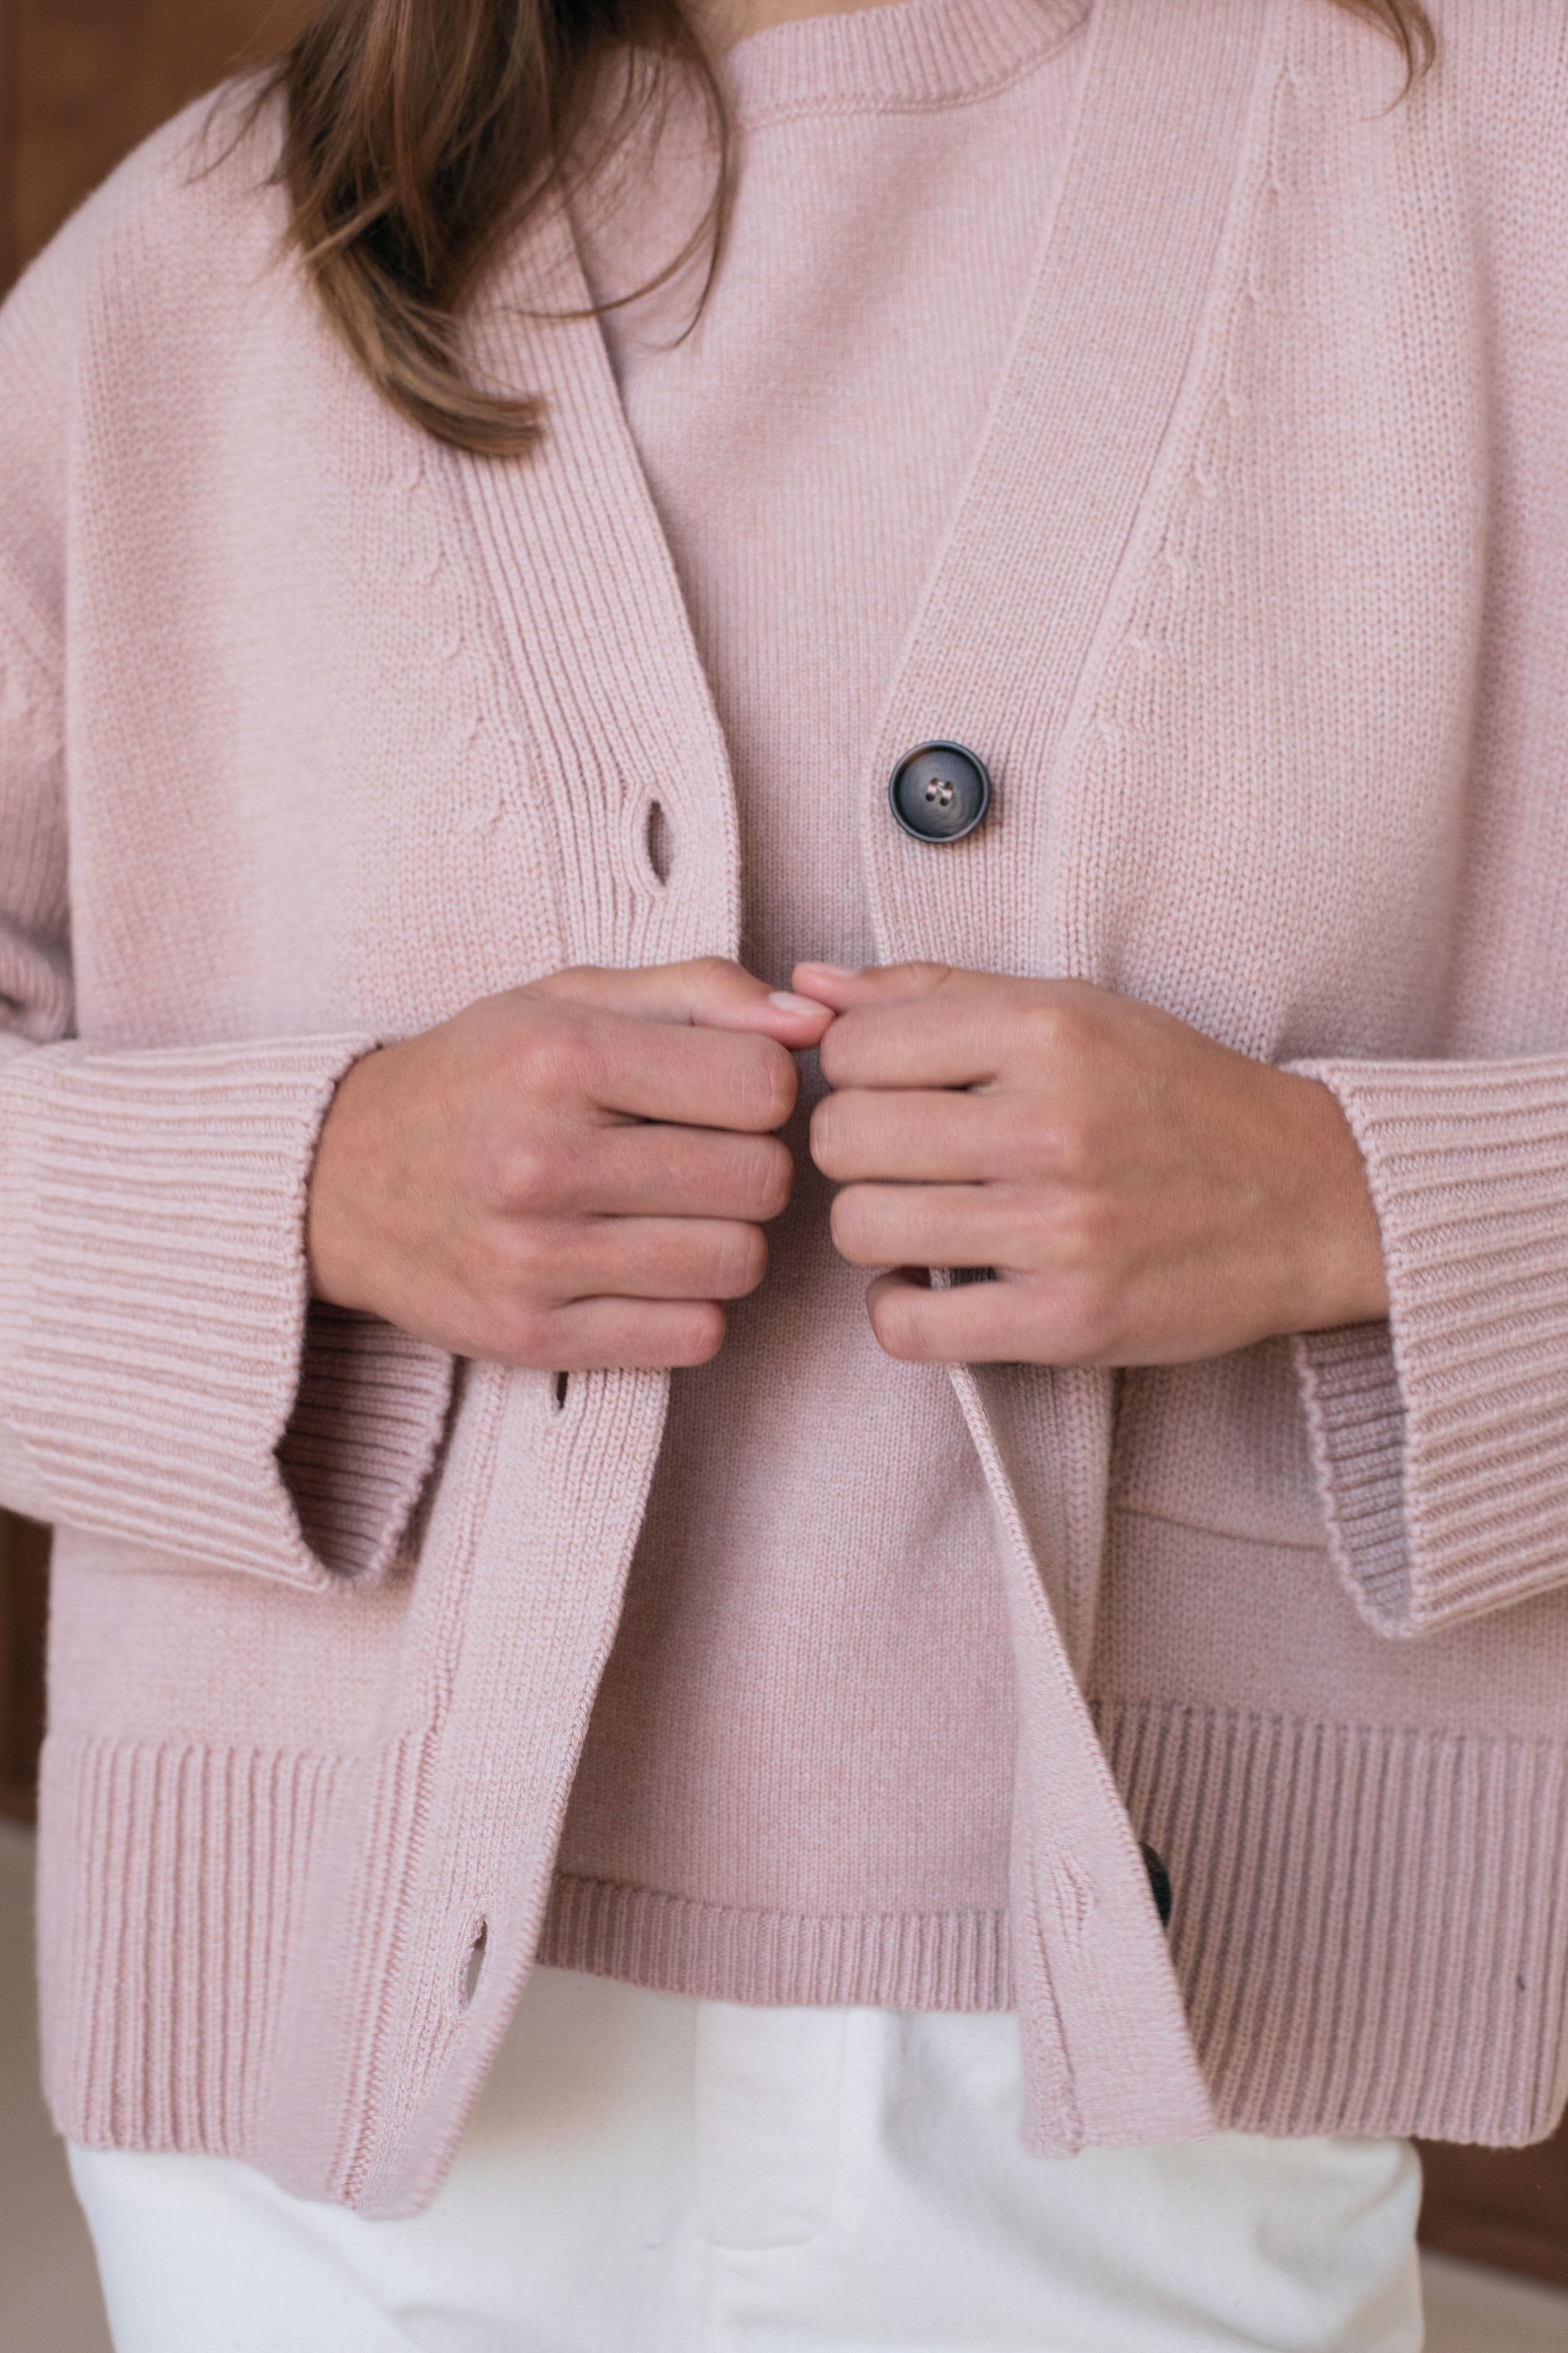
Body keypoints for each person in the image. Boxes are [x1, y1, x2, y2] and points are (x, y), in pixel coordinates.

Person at [2, 0, 1564, 2342]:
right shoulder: (218, 253)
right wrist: (312, 1189)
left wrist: (1346, 1203)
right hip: (317, 2084)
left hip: (1161, 2071)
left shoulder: (1496, 145)